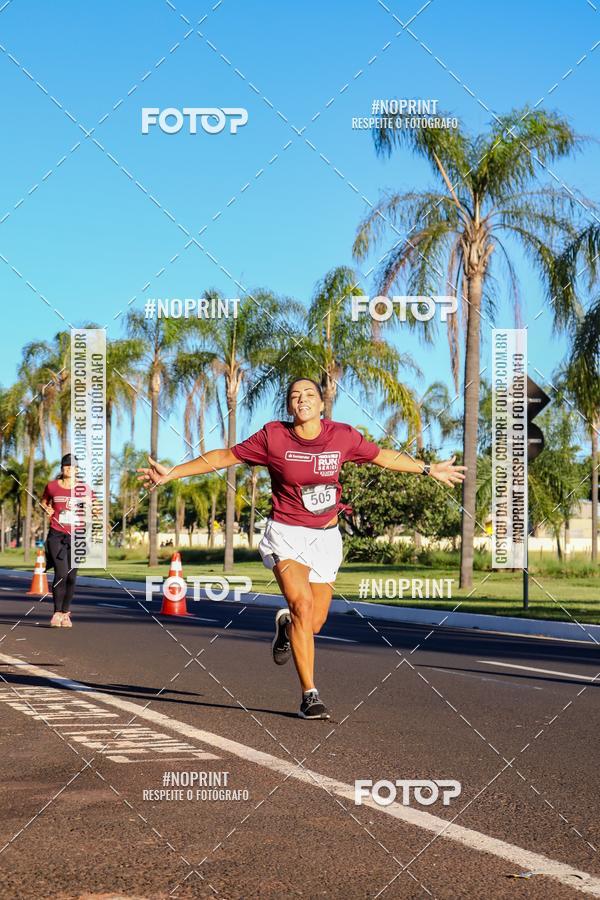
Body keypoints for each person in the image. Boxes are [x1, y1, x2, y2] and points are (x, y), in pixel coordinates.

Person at [137, 378, 466, 720]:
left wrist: (429, 469)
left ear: (322, 404)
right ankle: (310, 695)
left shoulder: (342, 436)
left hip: (326, 537)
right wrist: (172, 473)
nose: (302, 399)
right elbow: (225, 456)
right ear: (289, 406)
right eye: (295, 396)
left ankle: (286, 626)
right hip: (286, 533)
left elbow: (381, 456)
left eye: (309, 394)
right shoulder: (273, 436)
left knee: (315, 622)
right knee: (301, 604)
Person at [40, 453, 80, 628]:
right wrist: (46, 509)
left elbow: (94, 507)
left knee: (71, 577)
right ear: (62, 468)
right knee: (61, 573)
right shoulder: (52, 487)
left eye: (72, 466)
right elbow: (43, 502)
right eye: (66, 466)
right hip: (56, 534)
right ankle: (56, 613)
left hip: (77, 536)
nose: (69, 469)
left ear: (76, 469)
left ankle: (65, 613)